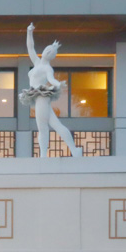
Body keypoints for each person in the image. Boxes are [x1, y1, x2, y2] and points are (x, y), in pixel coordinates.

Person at [19, 23, 82, 158]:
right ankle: (74, 150)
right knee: (56, 125)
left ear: (52, 56)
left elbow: (51, 80)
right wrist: (29, 32)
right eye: (48, 50)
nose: (48, 52)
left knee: (42, 127)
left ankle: (43, 156)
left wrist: (58, 84)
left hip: (42, 96)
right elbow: (30, 47)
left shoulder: (47, 68)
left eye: (51, 53)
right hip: (39, 97)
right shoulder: (36, 62)